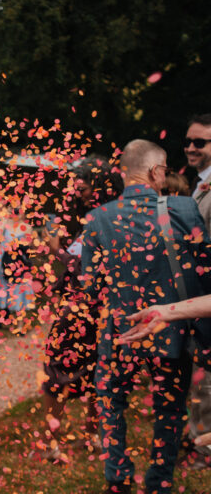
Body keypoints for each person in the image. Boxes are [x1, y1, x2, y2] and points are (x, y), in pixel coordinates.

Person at [81, 139, 210, 494]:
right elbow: (205, 269)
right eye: (165, 170)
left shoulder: (97, 218)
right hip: (173, 327)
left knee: (112, 402)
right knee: (169, 411)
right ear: (155, 171)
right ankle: (158, 483)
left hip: (121, 331)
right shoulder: (185, 209)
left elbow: (89, 287)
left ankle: (117, 476)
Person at [38, 156, 123, 461]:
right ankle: (66, 441)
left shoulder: (107, 217)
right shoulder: (89, 215)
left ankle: (79, 440)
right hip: (87, 308)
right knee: (74, 371)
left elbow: (81, 263)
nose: (78, 189)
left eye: (83, 184)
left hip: (93, 307)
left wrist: (55, 247)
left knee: (83, 372)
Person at [183, 113, 211, 466]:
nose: (190, 147)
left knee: (206, 376)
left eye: (200, 142)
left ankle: (204, 449)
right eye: (188, 141)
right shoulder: (199, 183)